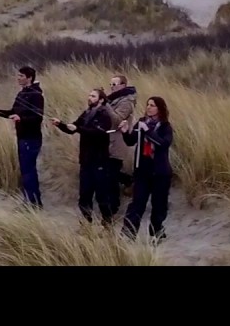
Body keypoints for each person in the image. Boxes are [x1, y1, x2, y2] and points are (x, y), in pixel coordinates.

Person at [51, 88, 116, 226]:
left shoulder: (104, 114)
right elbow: (74, 127)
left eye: (93, 96)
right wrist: (61, 124)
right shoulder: (87, 113)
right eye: (89, 95)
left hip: (99, 160)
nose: (90, 98)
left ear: (101, 100)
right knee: (84, 194)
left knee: (101, 195)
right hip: (86, 160)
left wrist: (78, 129)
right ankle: (86, 223)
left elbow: (98, 133)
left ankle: (107, 222)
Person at [0, 66, 46, 208]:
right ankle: (30, 201)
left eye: (21, 76)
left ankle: (34, 203)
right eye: (18, 75)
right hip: (22, 137)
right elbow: (12, 112)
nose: (18, 78)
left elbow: (38, 117)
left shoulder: (36, 95)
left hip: (31, 138)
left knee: (29, 171)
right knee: (25, 171)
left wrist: (21, 118)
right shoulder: (22, 94)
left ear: (29, 77)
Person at [119, 96, 174, 242]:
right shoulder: (142, 122)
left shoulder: (165, 127)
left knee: (159, 205)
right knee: (137, 203)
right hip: (142, 172)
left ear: (160, 109)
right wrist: (125, 131)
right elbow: (131, 141)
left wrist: (148, 131)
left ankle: (156, 231)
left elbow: (163, 144)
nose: (149, 107)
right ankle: (128, 234)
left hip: (160, 173)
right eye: (148, 104)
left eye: (153, 105)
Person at [105, 74, 137, 201]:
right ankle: (128, 181)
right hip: (108, 140)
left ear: (123, 85)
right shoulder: (113, 99)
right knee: (108, 171)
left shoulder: (127, 101)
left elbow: (118, 119)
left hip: (118, 141)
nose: (112, 87)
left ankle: (114, 203)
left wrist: (106, 105)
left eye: (115, 84)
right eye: (111, 84)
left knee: (111, 173)